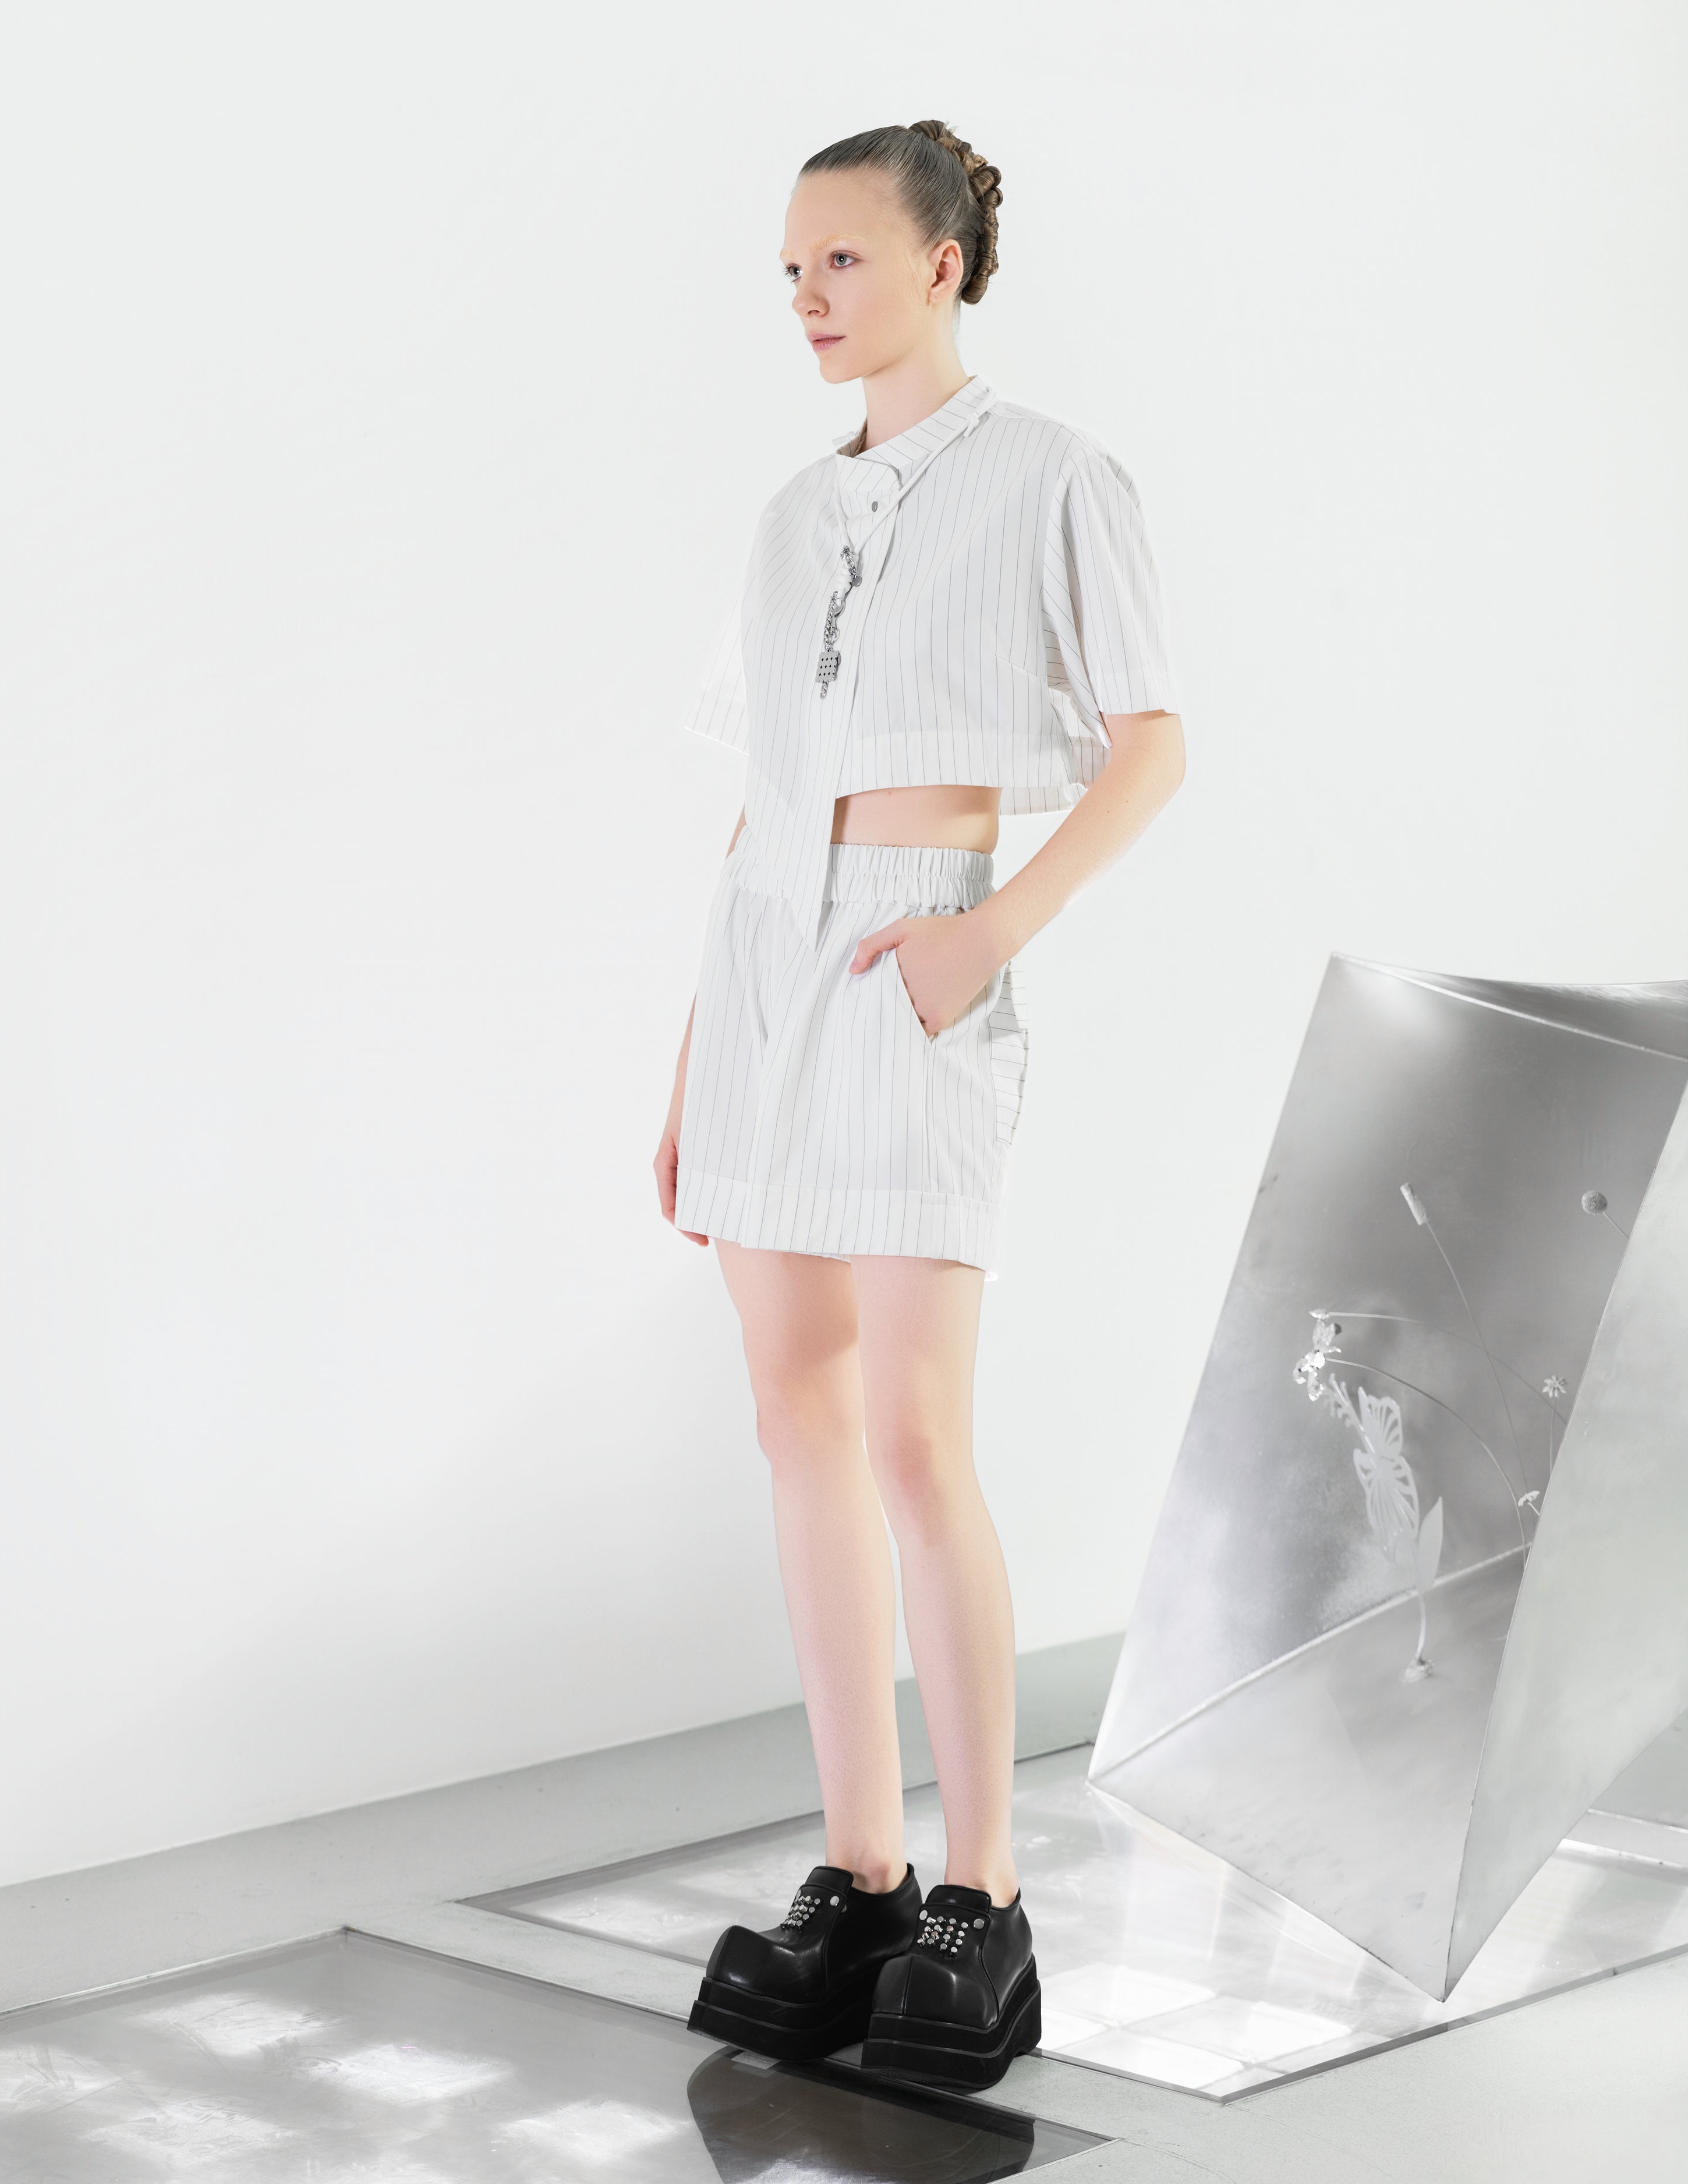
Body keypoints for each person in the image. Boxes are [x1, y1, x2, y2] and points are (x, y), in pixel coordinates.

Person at [656, 119, 1187, 2093]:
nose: (808, 298)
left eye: (845, 262)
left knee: (910, 1434)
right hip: (766, 970)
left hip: (916, 955)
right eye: (791, 269)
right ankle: (863, 1874)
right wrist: (695, 1055)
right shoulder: (791, 514)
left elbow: (1152, 745)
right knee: (791, 1418)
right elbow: (761, 801)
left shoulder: (1054, 477)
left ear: (943, 262)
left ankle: (985, 1893)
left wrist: (989, 932)